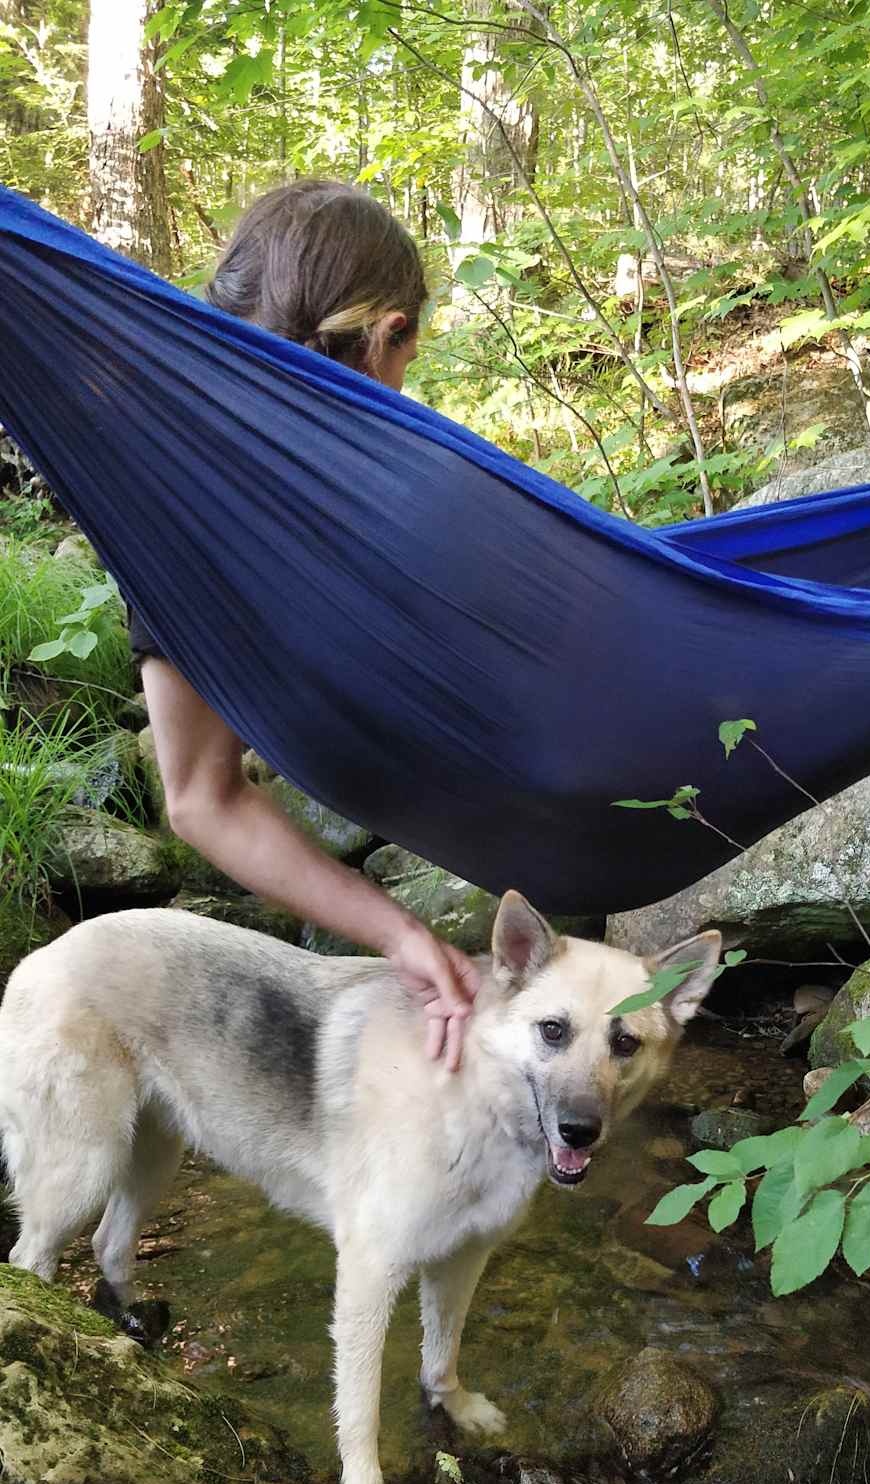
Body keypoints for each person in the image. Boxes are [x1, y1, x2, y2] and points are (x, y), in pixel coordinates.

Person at [132, 180, 478, 1067]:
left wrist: (398, 933)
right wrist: (400, 930)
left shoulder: (159, 496)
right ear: (389, 332)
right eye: (408, 357)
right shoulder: (424, 479)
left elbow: (199, 796)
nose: (404, 385)